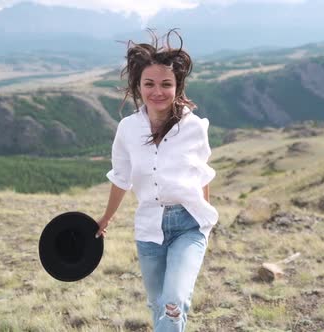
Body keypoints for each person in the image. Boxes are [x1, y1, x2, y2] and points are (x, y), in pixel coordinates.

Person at [95, 29, 218, 332]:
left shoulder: (194, 127)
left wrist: (206, 218)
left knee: (174, 302)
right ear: (138, 86)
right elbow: (121, 178)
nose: (157, 91)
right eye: (149, 84)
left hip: (189, 225)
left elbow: (202, 173)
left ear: (178, 86)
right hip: (148, 228)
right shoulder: (127, 129)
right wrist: (105, 219)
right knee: (157, 304)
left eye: (166, 84)